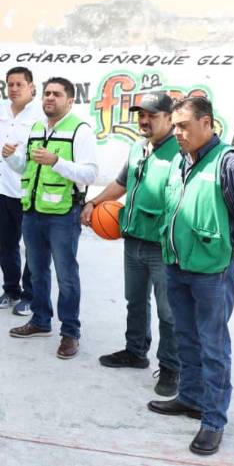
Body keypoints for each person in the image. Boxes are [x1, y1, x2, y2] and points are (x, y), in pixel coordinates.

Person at [147, 97, 234, 456]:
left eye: (183, 126)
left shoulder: (230, 163)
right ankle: (191, 399)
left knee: (213, 347)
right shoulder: (184, 160)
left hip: (212, 272)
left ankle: (213, 420)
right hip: (178, 266)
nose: (177, 133)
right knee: (186, 338)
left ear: (207, 124)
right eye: (176, 126)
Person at [81, 92, 181, 397]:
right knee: (135, 300)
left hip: (162, 246)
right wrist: (94, 203)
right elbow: (121, 184)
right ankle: (135, 351)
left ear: (169, 118)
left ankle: (170, 368)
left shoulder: (180, 153)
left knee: (168, 312)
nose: (145, 120)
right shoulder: (139, 148)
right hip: (133, 239)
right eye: (141, 115)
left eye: (151, 115)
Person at [5, 77, 98, 360]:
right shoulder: (36, 128)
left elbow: (90, 173)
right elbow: (26, 168)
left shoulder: (80, 130)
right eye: (47, 93)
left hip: (63, 216)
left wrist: (57, 162)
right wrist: (10, 157)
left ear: (70, 101)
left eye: (57, 94)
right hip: (32, 211)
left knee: (66, 276)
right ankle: (40, 321)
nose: (49, 98)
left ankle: (70, 333)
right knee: (37, 271)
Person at [0, 67, 42, 314]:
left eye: (19, 84)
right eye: (9, 84)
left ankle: (30, 296)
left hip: (26, 191)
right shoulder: (0, 109)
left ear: (31, 86)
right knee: (7, 244)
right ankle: (11, 291)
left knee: (32, 247)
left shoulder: (40, 114)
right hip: (2, 189)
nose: (13, 89)